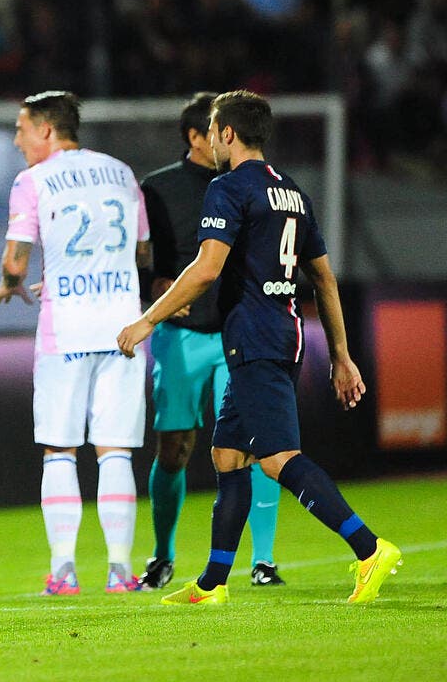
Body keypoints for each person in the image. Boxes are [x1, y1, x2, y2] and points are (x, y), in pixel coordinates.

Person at [117, 90, 402, 605]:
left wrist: (145, 321)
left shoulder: (228, 188)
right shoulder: (291, 192)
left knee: (277, 460)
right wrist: (339, 354)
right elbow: (324, 279)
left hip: (254, 336)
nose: (212, 139)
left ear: (226, 133)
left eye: (213, 128)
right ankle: (211, 584)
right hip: (282, 330)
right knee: (228, 456)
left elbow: (206, 269)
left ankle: (368, 547)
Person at [0, 91, 150, 595]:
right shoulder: (122, 172)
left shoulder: (31, 181)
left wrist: (13, 283)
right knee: (115, 449)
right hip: (124, 326)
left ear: (47, 131)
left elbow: (15, 262)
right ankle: (121, 570)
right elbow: (142, 250)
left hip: (66, 331)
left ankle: (63, 571)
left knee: (60, 448)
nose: (17, 140)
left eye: (21, 129)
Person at [136, 93, 285, 590]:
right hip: (180, 336)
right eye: (215, 129)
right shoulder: (157, 190)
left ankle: (262, 560)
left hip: (234, 334)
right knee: (174, 446)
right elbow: (149, 263)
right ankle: (162, 556)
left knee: (257, 445)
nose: (224, 137)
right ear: (195, 137)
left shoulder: (246, 186)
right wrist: (155, 295)